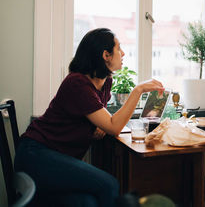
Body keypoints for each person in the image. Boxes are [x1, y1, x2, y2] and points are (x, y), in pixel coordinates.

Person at [14, 28, 165, 207]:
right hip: (36, 154)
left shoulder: (105, 81)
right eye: (119, 48)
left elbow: (101, 118)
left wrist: (100, 124)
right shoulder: (76, 83)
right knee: (109, 184)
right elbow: (114, 126)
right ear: (106, 55)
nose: (123, 53)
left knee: (88, 202)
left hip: (57, 156)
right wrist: (137, 90)